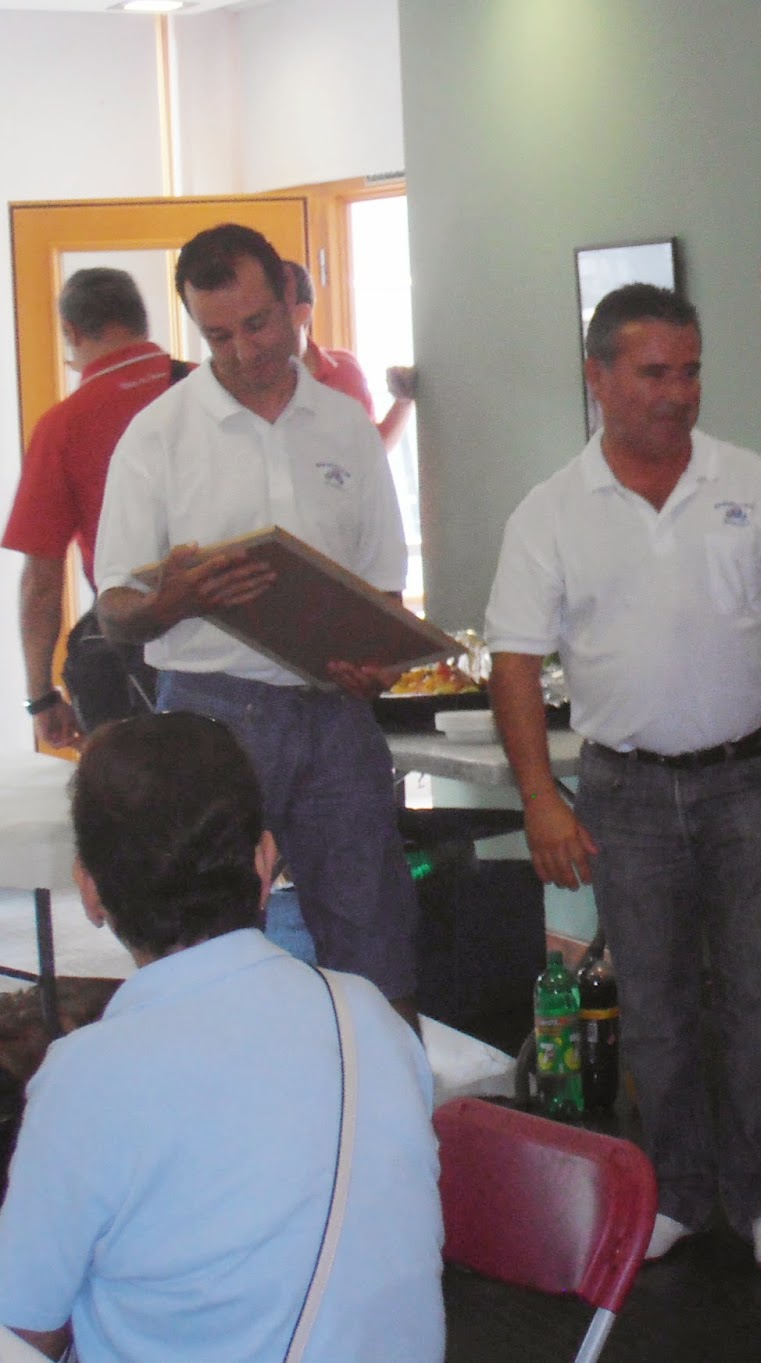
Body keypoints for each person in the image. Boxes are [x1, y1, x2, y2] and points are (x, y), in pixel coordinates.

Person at [485, 282, 761, 1272]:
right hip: (625, 794)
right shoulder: (551, 512)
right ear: (597, 377)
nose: (677, 392)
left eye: (689, 371)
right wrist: (539, 797)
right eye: (653, 373)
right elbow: (513, 661)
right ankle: (680, 1191)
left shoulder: (753, 487)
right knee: (654, 1007)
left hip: (752, 780)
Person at [0, 711, 444, 1362]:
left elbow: (20, 1327)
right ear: (265, 861)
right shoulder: (371, 1016)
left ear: (89, 890)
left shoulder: (86, 1077)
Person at [92, 223, 423, 1030]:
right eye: (217, 335)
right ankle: (224, 1096)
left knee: (377, 942)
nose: (243, 351)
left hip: (336, 713)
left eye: (257, 323)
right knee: (201, 949)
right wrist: (174, 600)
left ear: (290, 301)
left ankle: (390, 1097)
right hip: (210, 717)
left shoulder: (346, 426)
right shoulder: (159, 435)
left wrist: (376, 663)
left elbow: (383, 585)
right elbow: (113, 609)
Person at [1, 268, 187, 747]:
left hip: (139, 641)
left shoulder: (63, 426)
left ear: (73, 332)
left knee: (143, 783)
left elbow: (42, 583)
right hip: (244, 629)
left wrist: (41, 697)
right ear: (141, 320)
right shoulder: (203, 388)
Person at [285, 260, 417, 453]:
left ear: (302, 314)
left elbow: (372, 450)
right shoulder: (251, 377)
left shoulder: (343, 369)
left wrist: (403, 401)